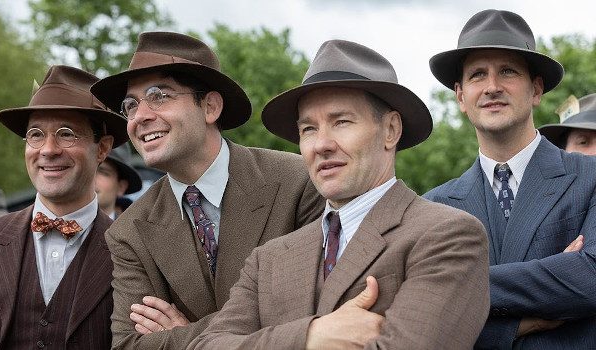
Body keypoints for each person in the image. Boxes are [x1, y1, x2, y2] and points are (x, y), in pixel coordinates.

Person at [192, 39, 490, 350]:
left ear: (390, 130)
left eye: (341, 122)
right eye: (308, 129)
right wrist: (310, 337)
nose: (321, 144)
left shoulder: (446, 235)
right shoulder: (268, 259)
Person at [89, 31, 325, 349]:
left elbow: (316, 302)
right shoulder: (129, 231)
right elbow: (129, 345)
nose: (140, 116)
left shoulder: (297, 182)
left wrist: (191, 335)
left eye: (159, 96)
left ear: (210, 107)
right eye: (130, 105)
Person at [423, 9, 596, 349]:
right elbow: (421, 316)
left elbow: (591, 277)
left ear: (536, 89)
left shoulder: (589, 176)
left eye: (507, 71)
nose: (492, 87)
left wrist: (454, 286)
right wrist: (519, 322)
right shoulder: (432, 207)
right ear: (460, 97)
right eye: (477, 75)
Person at [0, 65, 128, 349]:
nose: (48, 149)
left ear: (102, 149)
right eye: (35, 134)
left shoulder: (133, 250)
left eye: (66, 134)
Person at [96, 142, 142, 219]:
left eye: (103, 173)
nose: (91, 177)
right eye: (86, 170)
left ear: (121, 187)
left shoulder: (134, 230)